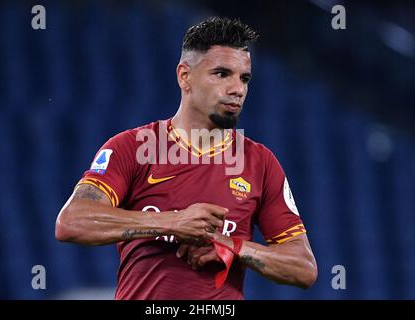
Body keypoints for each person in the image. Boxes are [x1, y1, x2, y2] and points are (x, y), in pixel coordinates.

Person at [55, 16, 317, 300]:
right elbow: (72, 222)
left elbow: (303, 268)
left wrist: (234, 247)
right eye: (221, 74)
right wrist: (174, 222)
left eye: (244, 78)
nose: (237, 89)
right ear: (184, 76)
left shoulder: (260, 163)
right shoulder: (131, 147)